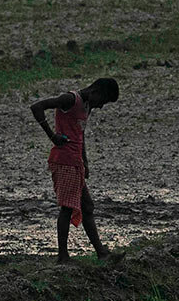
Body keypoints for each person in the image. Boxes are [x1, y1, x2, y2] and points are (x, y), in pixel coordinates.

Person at [29, 78, 119, 262]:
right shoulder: (70, 100)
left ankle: (102, 253)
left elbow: (80, 134)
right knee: (68, 208)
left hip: (75, 161)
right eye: (102, 102)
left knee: (87, 207)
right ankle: (63, 257)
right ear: (96, 92)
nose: (101, 106)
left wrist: (84, 161)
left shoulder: (87, 106)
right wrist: (52, 136)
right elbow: (37, 107)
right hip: (64, 161)